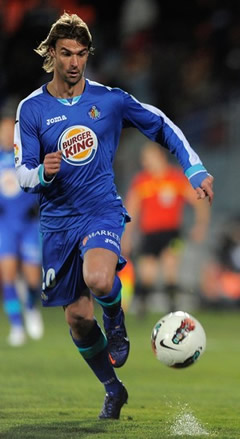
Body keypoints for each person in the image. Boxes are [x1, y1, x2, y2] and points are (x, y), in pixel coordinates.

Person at [14, 13, 214, 420]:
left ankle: (117, 320)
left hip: (100, 209)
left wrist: (193, 168)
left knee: (100, 278)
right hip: (57, 223)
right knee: (76, 318)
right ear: (52, 54)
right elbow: (22, 174)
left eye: (81, 54)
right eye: (66, 53)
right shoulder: (31, 109)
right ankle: (113, 388)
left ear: (88, 55)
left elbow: (161, 125)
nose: (74, 62)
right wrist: (41, 173)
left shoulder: (110, 100)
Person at [122, 141, 210, 314]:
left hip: (172, 232)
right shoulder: (142, 181)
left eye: (148, 157)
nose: (145, 161)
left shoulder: (175, 178)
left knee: (171, 266)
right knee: (148, 272)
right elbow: (131, 209)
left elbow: (199, 201)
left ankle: (173, 307)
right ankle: (142, 307)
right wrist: (126, 235)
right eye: (144, 158)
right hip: (149, 233)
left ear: (160, 157)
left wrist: (201, 225)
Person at [0, 112, 44, 346]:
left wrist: (35, 205)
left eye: (10, 131)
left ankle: (31, 308)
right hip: (5, 225)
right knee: (6, 275)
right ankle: (16, 326)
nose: (7, 135)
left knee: (33, 278)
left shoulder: (26, 156)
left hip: (28, 224)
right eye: (3, 131)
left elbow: (40, 182)